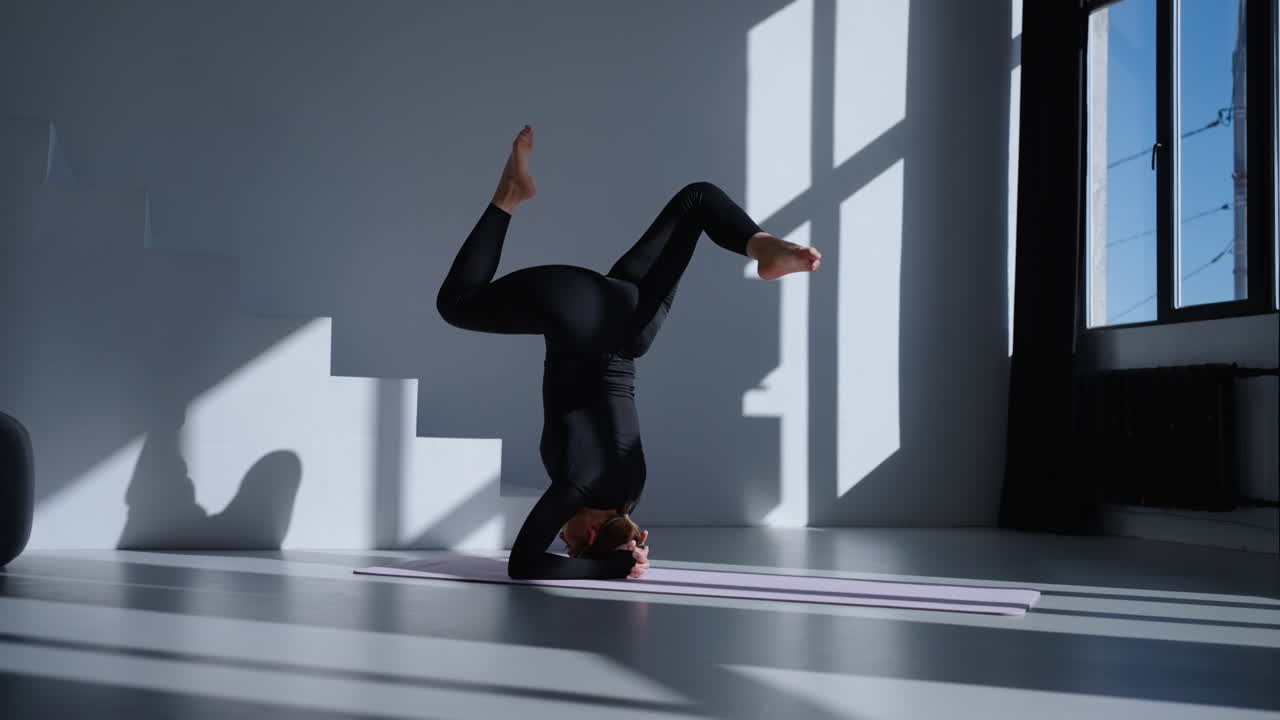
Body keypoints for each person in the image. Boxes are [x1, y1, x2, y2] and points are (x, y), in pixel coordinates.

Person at [436, 125, 821, 580]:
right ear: (593, 536)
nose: (561, 537)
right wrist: (608, 567)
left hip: (634, 319)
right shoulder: (578, 486)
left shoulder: (630, 491)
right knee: (456, 304)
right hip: (580, 316)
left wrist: (626, 549)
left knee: (696, 200)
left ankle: (763, 246)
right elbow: (524, 565)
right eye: (571, 543)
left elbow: (616, 530)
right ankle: (508, 195)